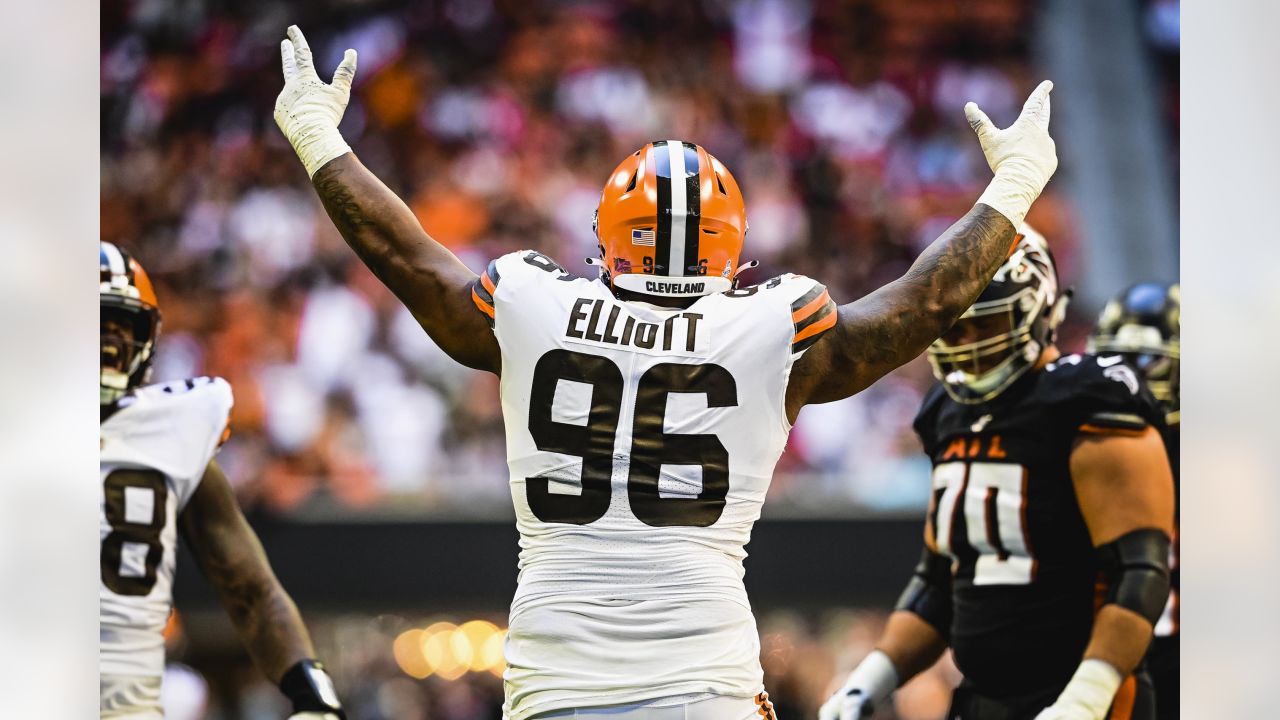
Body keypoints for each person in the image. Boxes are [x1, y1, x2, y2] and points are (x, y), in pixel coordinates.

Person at [272, 24, 1058, 720]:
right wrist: (1013, 185)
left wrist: (318, 140)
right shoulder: (772, 323)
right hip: (703, 684)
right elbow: (921, 304)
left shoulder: (533, 302)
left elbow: (409, 259)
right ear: (731, 243)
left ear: (608, 235)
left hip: (555, 684)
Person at [819, 229, 1174, 720]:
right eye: (953, 327)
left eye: (982, 325)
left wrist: (1086, 699)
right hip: (982, 697)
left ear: (1036, 309)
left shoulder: (1086, 402)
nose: (963, 343)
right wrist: (872, 678)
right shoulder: (946, 410)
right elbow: (942, 578)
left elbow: (1139, 574)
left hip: (1084, 696)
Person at [99, 241, 345, 720]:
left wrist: (313, 694)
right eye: (94, 327)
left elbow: (251, 589)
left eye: (121, 327)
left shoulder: (171, 430)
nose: (109, 344)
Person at [1088, 283, 1180, 720]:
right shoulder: (1086, 444)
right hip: (1105, 662)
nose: (1131, 377)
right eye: (1117, 358)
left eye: (1149, 360)